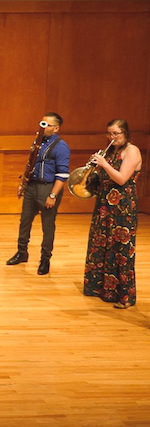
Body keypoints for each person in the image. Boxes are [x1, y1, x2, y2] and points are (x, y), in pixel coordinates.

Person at [83, 119, 141, 309]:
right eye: (109, 133)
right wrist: (93, 170)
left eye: (116, 133)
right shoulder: (110, 151)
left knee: (120, 249)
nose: (112, 137)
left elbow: (122, 178)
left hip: (122, 207)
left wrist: (104, 164)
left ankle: (125, 296)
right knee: (101, 244)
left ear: (125, 133)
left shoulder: (132, 150)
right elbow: (101, 179)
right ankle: (101, 289)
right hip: (104, 206)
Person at [6, 113, 71, 275]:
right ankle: (22, 252)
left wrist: (53, 195)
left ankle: (45, 259)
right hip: (32, 186)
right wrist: (23, 184)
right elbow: (30, 163)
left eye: (47, 125)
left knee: (47, 226)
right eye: (42, 123)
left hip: (48, 188)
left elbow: (63, 174)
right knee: (25, 220)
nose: (43, 127)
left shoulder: (61, 146)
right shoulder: (38, 142)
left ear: (56, 128)